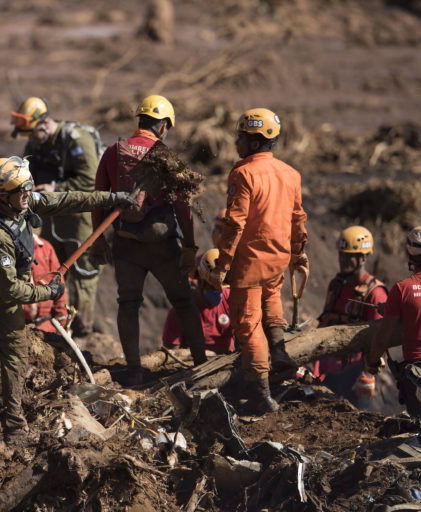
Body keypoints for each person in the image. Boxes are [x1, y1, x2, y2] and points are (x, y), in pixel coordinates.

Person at [0, 156, 135, 441]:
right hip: (1, 300)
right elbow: (12, 291)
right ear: (3, 196)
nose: (28, 196)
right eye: (21, 192)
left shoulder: (23, 200)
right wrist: (49, 292)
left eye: (29, 190)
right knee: (16, 356)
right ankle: (15, 429)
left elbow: (65, 200)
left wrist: (111, 198)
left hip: (16, 287)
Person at [91, 94, 207, 385]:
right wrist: (189, 247)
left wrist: (98, 240)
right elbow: (183, 207)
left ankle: (133, 370)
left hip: (126, 243)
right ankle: (202, 364)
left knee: (128, 303)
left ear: (140, 120)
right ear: (164, 126)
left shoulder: (113, 152)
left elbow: (98, 200)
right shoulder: (166, 157)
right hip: (162, 245)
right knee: (183, 301)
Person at [209, 108, 308, 414]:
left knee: (248, 325)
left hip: (250, 262)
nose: (236, 141)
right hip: (278, 257)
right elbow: (298, 219)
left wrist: (223, 263)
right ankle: (279, 351)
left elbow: (235, 223)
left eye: (240, 136)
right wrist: (299, 253)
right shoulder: (291, 174)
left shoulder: (243, 173)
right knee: (271, 298)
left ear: (254, 141)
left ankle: (261, 392)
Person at [10, 97, 102, 336]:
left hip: (80, 217)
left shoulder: (75, 139)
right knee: (54, 270)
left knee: (83, 271)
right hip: (51, 218)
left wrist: (55, 189)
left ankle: (84, 331)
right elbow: (26, 174)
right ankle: (56, 325)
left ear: (45, 124)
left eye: (32, 134)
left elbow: (90, 181)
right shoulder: (35, 145)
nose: (30, 140)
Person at [315, 226, 387, 406]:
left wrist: (368, 375)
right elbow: (324, 322)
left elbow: (381, 340)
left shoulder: (375, 294)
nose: (343, 260)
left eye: (349, 256)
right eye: (342, 254)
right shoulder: (336, 285)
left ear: (363, 257)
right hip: (329, 370)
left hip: (356, 374)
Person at [366, 226, 421, 420]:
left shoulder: (402, 290)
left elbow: (382, 338)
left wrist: (372, 362)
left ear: (410, 253)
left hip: (418, 376)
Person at [163, 249, 235, 355]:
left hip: (228, 363)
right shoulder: (180, 313)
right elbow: (172, 354)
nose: (219, 292)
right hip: (195, 367)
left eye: (221, 287)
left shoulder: (230, 299)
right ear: (201, 282)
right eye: (214, 288)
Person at [24, 233, 68, 333]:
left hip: (45, 325)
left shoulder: (45, 248)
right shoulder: (10, 247)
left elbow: (58, 282)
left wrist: (61, 314)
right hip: (18, 325)